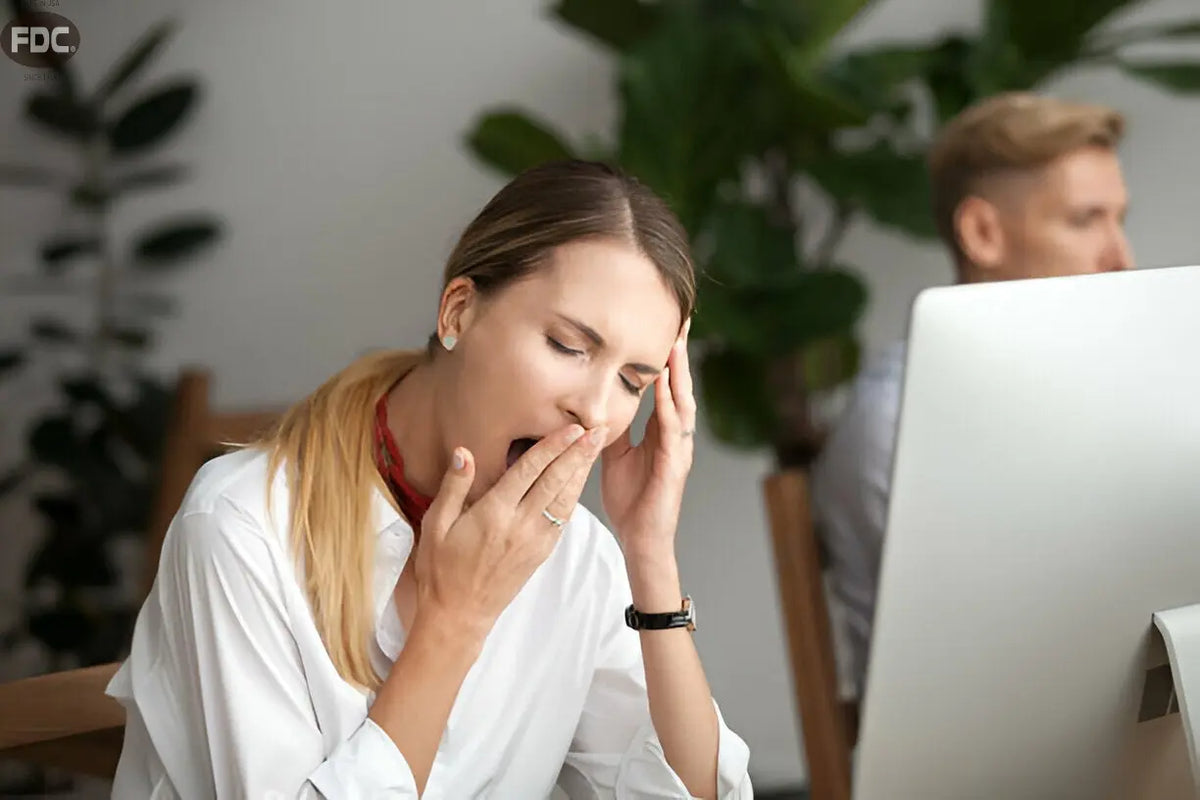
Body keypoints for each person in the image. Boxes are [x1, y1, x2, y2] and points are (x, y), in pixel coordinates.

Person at [105, 160, 753, 798]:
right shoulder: (240, 526)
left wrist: (649, 553)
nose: (595, 410)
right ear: (458, 312)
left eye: (631, 382)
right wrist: (455, 620)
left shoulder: (578, 557)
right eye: (567, 346)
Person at [811, 91, 1134, 702]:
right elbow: (977, 677)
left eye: (1120, 220)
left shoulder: (1105, 397)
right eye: (1085, 220)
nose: (1121, 259)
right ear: (983, 232)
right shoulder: (899, 425)